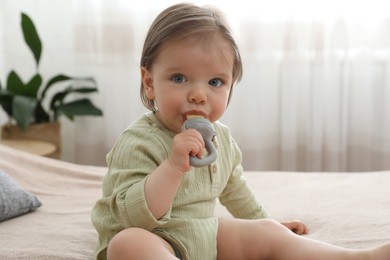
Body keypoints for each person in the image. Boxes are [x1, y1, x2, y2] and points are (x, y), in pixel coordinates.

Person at [91, 3, 390, 260]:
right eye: (179, 78)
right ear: (149, 82)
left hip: (201, 235)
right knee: (127, 243)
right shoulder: (137, 141)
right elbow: (132, 216)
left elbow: (234, 191)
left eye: (215, 82)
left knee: (268, 233)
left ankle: (356, 257)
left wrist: (263, 220)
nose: (198, 95)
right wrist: (172, 167)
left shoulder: (220, 139)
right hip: (152, 237)